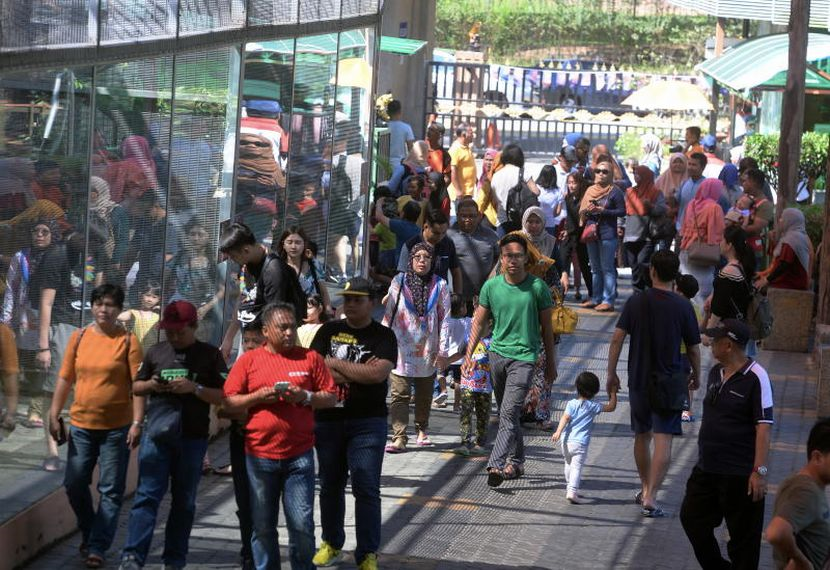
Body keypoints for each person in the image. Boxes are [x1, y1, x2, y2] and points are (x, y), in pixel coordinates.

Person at [223, 302, 337, 570]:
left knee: (302, 525)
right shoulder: (249, 361)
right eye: (282, 328)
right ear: (266, 331)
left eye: (292, 327)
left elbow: (331, 397)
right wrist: (257, 397)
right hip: (259, 457)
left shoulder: (310, 358)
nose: (289, 333)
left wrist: (305, 396)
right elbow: (228, 403)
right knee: (262, 526)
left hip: (299, 457)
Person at [118, 301, 227, 570]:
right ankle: (132, 556)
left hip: (192, 439)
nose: (175, 337)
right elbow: (136, 387)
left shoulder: (210, 355)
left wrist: (194, 388)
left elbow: (225, 395)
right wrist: (153, 385)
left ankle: (174, 560)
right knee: (146, 498)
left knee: (184, 502)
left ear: (194, 327)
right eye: (170, 332)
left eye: (181, 332)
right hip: (157, 437)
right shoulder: (156, 352)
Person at [47, 284, 143, 569]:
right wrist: (54, 413)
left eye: (110, 305)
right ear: (92, 306)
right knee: (74, 483)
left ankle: (98, 546)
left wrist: (137, 422)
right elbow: (65, 378)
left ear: (119, 309)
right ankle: (90, 532)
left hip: (117, 427)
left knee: (111, 490)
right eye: (99, 303)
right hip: (81, 425)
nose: (104, 309)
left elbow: (138, 387)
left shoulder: (128, 341)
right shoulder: (79, 338)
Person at [310, 277, 398, 570]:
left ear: (372, 303)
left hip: (367, 422)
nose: (350, 305)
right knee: (330, 485)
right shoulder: (328, 330)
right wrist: (359, 370)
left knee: (366, 486)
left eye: (357, 300)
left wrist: (334, 363)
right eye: (347, 299)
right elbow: (315, 371)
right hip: (328, 419)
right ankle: (331, 543)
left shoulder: (384, 336)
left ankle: (367, 553)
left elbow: (377, 375)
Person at [607, 250, 702, 516]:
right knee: (664, 438)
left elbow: (617, 338)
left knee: (642, 435)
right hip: (671, 379)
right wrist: (697, 375)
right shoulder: (683, 306)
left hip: (639, 378)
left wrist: (611, 373)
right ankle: (651, 496)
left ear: (652, 272)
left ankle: (644, 485)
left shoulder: (636, 302)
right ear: (675, 276)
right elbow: (694, 348)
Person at [463, 233, 556, 487]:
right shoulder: (491, 287)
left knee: (508, 411)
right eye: (508, 256)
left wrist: (551, 364)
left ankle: (496, 464)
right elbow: (478, 322)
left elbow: (547, 329)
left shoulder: (537, 288)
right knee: (509, 413)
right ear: (501, 260)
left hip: (525, 358)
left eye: (518, 256)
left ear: (526, 258)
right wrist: (468, 356)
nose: (513, 260)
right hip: (497, 355)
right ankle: (517, 461)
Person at [680, 319, 773, 570]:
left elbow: (764, 428)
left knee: (744, 543)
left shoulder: (757, 377)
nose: (709, 343)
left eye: (715, 340)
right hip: (707, 469)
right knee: (692, 518)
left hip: (740, 475)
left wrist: (759, 472)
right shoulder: (715, 373)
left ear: (729, 345)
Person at [383, 243, 451, 452]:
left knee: (424, 393)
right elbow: (389, 313)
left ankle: (422, 429)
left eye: (427, 257)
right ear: (410, 260)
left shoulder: (440, 285)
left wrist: (443, 351)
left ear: (432, 261)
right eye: (418, 257)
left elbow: (445, 318)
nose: (422, 260)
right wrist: (380, 343)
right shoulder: (399, 281)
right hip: (400, 348)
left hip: (428, 349)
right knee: (399, 394)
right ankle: (399, 436)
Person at [2, 218, 60, 430]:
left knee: (42, 367)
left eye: (45, 232)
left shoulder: (57, 255)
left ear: (53, 234)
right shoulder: (21, 257)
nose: (39, 235)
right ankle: (10, 410)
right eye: (36, 231)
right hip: (23, 318)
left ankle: (35, 410)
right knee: (16, 365)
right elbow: (11, 288)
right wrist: (6, 321)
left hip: (48, 319)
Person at [218, 222, 306, 361]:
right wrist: (229, 338)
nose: (233, 261)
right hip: (249, 338)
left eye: (234, 256)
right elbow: (243, 300)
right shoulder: (247, 264)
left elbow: (274, 318)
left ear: (246, 250)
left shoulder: (273, 270)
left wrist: (263, 355)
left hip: (267, 344)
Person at [217, 321, 265, 570]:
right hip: (240, 441)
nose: (249, 345)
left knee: (263, 502)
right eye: (246, 341)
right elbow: (223, 408)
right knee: (244, 501)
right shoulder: (238, 369)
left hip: (267, 445)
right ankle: (248, 550)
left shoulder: (273, 367)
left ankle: (261, 551)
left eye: (255, 341)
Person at [765, 419, 830, 570]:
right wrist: (801, 561)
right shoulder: (805, 491)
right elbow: (776, 532)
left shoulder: (807, 485)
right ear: (817, 457)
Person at [551, 371, 618, 504]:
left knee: (568, 463)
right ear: (595, 391)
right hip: (580, 443)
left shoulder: (571, 403)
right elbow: (611, 407)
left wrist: (558, 431)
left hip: (566, 441)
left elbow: (565, 418)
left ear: (577, 387)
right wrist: (613, 393)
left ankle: (569, 485)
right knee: (577, 467)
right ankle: (572, 491)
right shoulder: (593, 406)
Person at [579, 159, 625, 312]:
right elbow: (582, 211)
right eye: (598, 171)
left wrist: (603, 211)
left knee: (607, 268)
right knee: (595, 268)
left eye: (605, 171)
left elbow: (622, 211)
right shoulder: (590, 190)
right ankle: (595, 298)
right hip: (592, 233)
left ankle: (608, 300)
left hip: (607, 233)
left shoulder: (615, 191)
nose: (600, 174)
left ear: (611, 174)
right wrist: (588, 210)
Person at [167, 220, 223, 345]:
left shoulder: (213, 262)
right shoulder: (179, 257)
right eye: (192, 234)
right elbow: (167, 280)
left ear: (208, 237)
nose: (196, 238)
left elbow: (223, 290)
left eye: (200, 234)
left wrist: (205, 308)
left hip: (201, 314)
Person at [703, 225, 757, 353]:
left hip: (729, 332)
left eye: (722, 239)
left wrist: (709, 332)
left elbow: (719, 307)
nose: (719, 243)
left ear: (729, 245)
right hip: (739, 327)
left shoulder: (729, 271)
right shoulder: (741, 266)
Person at [679, 178, 726, 305]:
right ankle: (699, 315)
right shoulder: (714, 207)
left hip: (687, 248)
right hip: (703, 252)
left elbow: (683, 226)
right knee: (702, 291)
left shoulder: (691, 204)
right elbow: (718, 233)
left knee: (687, 289)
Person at [396, 207, 462, 295]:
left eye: (444, 233)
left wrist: (458, 295)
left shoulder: (448, 243)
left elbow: (456, 271)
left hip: (441, 297)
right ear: (425, 226)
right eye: (436, 233)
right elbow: (402, 277)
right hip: (415, 297)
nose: (440, 237)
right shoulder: (410, 245)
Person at [447, 197, 499, 310]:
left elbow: (500, 259)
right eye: (463, 216)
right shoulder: (448, 236)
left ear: (479, 216)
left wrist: (491, 279)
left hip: (485, 298)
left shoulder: (491, 235)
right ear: (457, 215)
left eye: (472, 216)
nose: (467, 219)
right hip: (457, 299)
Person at [623, 166, 667, 291]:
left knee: (642, 263)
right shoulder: (630, 192)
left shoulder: (655, 192)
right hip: (630, 234)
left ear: (645, 176)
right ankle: (637, 291)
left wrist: (650, 206)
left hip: (646, 235)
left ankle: (648, 288)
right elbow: (624, 211)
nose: (635, 176)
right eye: (634, 174)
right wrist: (620, 225)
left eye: (638, 174)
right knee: (634, 265)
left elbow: (662, 209)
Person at [453, 322, 492, 457]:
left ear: (489, 323)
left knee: (483, 414)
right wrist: (446, 361)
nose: (475, 324)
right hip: (467, 383)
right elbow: (460, 352)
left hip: (485, 386)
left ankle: (480, 443)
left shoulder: (494, 341)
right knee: (466, 412)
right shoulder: (468, 337)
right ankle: (464, 443)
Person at [756, 207, 814, 292]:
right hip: (790, 281)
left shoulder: (793, 238)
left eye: (782, 218)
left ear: (790, 221)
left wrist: (767, 280)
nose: (780, 221)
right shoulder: (795, 236)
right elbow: (778, 263)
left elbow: (784, 264)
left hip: (790, 283)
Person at [277, 227, 331, 313]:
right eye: (289, 242)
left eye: (298, 242)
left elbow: (323, 292)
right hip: (288, 314)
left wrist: (329, 312)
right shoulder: (277, 266)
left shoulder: (313, 264)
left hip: (314, 314)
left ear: (304, 244)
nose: (293, 246)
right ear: (283, 244)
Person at [558, 171, 592, 301]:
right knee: (562, 260)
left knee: (584, 265)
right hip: (569, 235)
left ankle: (592, 293)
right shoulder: (568, 198)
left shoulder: (584, 199)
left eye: (574, 182)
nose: (571, 185)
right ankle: (560, 292)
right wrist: (566, 230)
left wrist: (569, 230)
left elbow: (581, 221)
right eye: (569, 182)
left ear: (580, 183)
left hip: (580, 236)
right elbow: (569, 218)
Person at [675, 274, 702, 423]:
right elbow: (697, 329)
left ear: (678, 289)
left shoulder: (673, 306)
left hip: (675, 351)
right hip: (686, 353)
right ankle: (686, 410)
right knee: (687, 382)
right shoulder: (694, 308)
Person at [489, 143, 529, 236]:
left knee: (502, 244)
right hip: (520, 220)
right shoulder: (522, 173)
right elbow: (536, 191)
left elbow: (494, 200)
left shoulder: (496, 175)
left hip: (502, 220)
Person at [739, 168, 774, 271]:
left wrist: (736, 228)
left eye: (745, 181)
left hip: (753, 250)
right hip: (740, 248)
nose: (742, 184)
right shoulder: (745, 199)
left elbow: (756, 228)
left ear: (753, 182)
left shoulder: (765, 205)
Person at [118, 282, 161, 351]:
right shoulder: (134, 313)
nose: (150, 300)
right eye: (148, 295)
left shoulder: (158, 316)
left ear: (158, 299)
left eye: (154, 297)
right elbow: (117, 316)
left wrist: (162, 310)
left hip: (152, 353)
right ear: (140, 295)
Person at [675, 152, 707, 237]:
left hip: (698, 232)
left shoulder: (706, 186)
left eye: (694, 165)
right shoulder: (684, 183)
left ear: (703, 167)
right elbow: (677, 202)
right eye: (689, 164)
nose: (690, 167)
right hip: (681, 229)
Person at [448, 123, 477, 201]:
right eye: (471, 133)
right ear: (464, 135)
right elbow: (452, 171)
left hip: (467, 193)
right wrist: (458, 190)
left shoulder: (466, 147)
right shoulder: (455, 149)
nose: (473, 135)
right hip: (459, 195)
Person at [535, 165, 565, 237]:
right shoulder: (558, 191)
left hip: (535, 223)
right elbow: (558, 212)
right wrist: (550, 215)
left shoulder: (537, 188)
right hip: (550, 224)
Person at [474, 148, 499, 229]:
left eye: (491, 160)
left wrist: (477, 214)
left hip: (488, 216)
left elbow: (482, 199)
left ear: (497, 161)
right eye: (486, 160)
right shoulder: (484, 175)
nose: (488, 162)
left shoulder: (490, 178)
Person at [386, 99, 415, 167]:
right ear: (400, 111)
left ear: (388, 112)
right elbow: (411, 149)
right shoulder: (406, 128)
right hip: (399, 164)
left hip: (383, 163)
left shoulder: (383, 128)